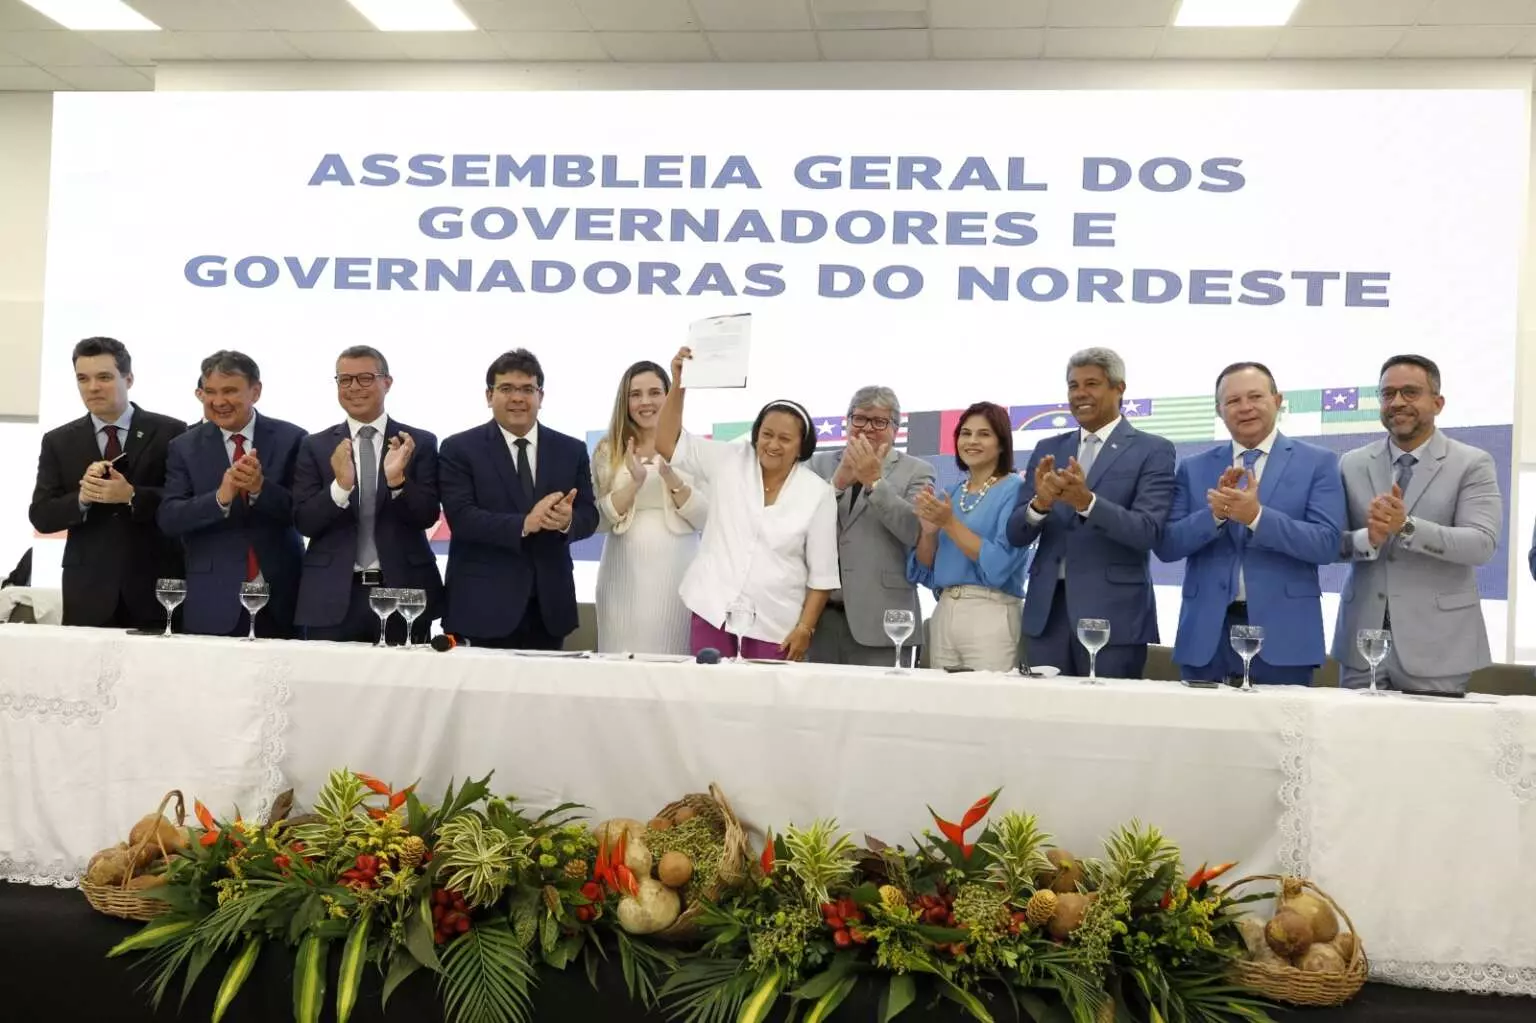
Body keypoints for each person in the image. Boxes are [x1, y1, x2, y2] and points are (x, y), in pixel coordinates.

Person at [1156, 362, 1344, 685]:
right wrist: (1215, 515)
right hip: (1206, 639)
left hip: (1285, 637)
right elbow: (1168, 545)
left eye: (1255, 396)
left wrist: (1256, 517)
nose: (1245, 408)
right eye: (1232, 401)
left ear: (1278, 400)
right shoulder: (1193, 467)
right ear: (1219, 410)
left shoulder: (1318, 462)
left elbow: (1326, 544)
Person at [655, 346, 838, 660]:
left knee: (763, 708)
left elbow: (821, 576)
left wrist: (805, 629)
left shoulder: (817, 493)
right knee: (705, 700)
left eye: (784, 439)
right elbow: (666, 443)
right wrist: (679, 383)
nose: (772, 444)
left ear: (801, 447)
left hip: (775, 627)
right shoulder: (730, 459)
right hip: (712, 610)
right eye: (766, 434)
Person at [1005, 348, 1175, 678]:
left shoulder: (1152, 450)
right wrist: (1040, 504)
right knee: (1045, 722)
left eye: (1091, 383)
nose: (1080, 393)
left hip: (1113, 617)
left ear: (1119, 388)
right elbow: (1015, 534)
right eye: (1073, 385)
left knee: (1108, 721)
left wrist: (1087, 502)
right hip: (1047, 617)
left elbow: (1147, 531)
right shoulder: (1048, 449)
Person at [1336, 355, 1500, 694]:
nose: (1397, 402)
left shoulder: (1472, 463)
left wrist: (1406, 526)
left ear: (1437, 403)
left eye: (1410, 392)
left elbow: (1481, 544)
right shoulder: (1351, 464)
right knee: (1349, 744)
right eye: (1388, 394)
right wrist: (1369, 537)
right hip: (1362, 642)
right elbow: (1331, 542)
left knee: (1431, 745)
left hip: (1439, 644)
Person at [438, 349, 598, 649]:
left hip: (548, 608)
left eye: (527, 389)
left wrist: (568, 522)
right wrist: (525, 523)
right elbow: (462, 519)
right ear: (489, 395)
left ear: (541, 396)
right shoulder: (459, 449)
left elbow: (589, 514)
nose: (517, 398)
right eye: (506, 389)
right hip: (481, 608)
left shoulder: (570, 449)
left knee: (543, 695)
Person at [28, 337, 187, 629]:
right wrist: (83, 497)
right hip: (88, 591)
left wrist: (132, 495)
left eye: (104, 377)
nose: (92, 387)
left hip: (156, 586)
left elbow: (186, 502)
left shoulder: (171, 431)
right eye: (82, 379)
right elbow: (41, 515)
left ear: (129, 378)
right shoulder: (59, 440)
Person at [293, 346, 445, 645]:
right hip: (332, 594)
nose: (353, 388)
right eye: (344, 380)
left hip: (403, 593)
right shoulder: (316, 446)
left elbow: (427, 516)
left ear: (387, 382)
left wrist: (397, 480)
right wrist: (340, 487)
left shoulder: (417, 443)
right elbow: (304, 522)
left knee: (407, 688)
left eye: (365, 378)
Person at [159, 350, 306, 638]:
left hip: (281, 596)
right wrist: (220, 498)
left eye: (230, 391)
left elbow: (304, 513)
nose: (219, 401)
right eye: (210, 392)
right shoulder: (182, 447)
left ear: (256, 391)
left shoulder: (293, 438)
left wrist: (259, 489)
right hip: (213, 598)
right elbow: (169, 518)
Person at [806, 386, 934, 666]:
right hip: (818, 618)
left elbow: (915, 533)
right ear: (848, 422)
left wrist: (875, 483)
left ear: (896, 429)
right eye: (860, 419)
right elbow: (800, 525)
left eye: (879, 421)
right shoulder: (817, 465)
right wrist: (838, 483)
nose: (867, 429)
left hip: (885, 622)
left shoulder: (918, 471)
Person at [591, 360, 706, 655]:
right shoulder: (608, 449)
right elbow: (598, 521)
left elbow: (706, 517)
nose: (645, 402)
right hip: (622, 570)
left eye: (655, 392)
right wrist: (635, 484)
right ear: (625, 401)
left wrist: (670, 477)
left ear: (669, 396)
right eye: (635, 394)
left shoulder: (693, 448)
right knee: (619, 658)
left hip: (679, 568)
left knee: (673, 658)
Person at [909, 402, 1030, 671]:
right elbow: (926, 568)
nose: (972, 441)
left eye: (984, 434)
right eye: (965, 433)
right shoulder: (951, 492)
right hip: (944, 609)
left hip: (991, 612)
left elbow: (998, 565)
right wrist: (928, 534)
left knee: (989, 704)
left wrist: (949, 523)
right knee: (943, 705)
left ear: (1002, 444)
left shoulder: (1016, 489)